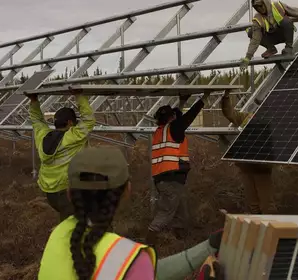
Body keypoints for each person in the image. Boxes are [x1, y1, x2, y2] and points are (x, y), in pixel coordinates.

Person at [38, 145, 223, 280]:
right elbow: (137, 270)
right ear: (127, 190)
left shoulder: (59, 234)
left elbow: (149, 272)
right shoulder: (127, 258)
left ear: (70, 194)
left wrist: (207, 247)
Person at [146, 92, 208, 246]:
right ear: (170, 118)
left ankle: (180, 239)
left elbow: (179, 119)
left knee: (179, 207)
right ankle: (149, 242)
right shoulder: (173, 128)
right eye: (174, 115)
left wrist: (181, 101)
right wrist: (204, 99)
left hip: (163, 178)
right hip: (171, 178)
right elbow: (189, 117)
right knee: (166, 212)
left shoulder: (160, 131)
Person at [27, 88, 96, 221]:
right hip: (67, 192)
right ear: (70, 123)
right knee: (72, 227)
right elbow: (88, 120)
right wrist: (78, 96)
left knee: (71, 220)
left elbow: (37, 121)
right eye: (74, 123)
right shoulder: (73, 137)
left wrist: (33, 101)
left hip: (50, 192)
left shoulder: (43, 136)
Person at [220, 90, 278, 214]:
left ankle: (271, 229)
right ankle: (256, 229)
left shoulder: (274, 121)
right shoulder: (247, 118)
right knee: (253, 204)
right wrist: (225, 97)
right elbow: (229, 113)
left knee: (267, 204)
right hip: (246, 166)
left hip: (262, 167)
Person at [240, 0, 298, 70]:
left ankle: (288, 48)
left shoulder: (277, 6)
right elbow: (255, 39)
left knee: (286, 21)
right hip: (271, 37)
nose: (260, 9)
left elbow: (294, 11)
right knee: (251, 32)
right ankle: (271, 48)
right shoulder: (257, 18)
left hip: (283, 34)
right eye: (257, 7)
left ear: (265, 2)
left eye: (261, 5)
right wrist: (248, 57)